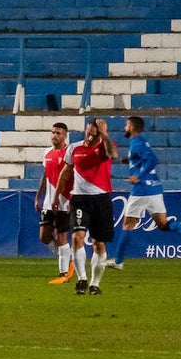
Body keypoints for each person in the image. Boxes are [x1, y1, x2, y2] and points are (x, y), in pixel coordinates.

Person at [105, 115, 181, 269]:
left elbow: (152, 160)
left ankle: (118, 260)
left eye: (126, 125)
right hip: (155, 189)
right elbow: (144, 158)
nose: (124, 128)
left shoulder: (136, 143)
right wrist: (129, 161)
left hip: (142, 190)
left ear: (131, 127)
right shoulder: (141, 141)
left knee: (127, 224)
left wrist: (138, 176)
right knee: (163, 224)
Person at [51, 117, 117, 296]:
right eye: (88, 132)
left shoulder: (106, 146)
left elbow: (113, 155)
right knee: (77, 238)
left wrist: (104, 135)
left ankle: (95, 284)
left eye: (94, 134)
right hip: (79, 198)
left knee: (99, 244)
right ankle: (82, 279)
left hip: (101, 199)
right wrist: (57, 196)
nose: (89, 137)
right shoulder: (74, 148)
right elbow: (65, 172)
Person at [35, 122, 75, 284]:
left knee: (61, 236)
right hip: (48, 202)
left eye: (58, 133)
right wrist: (39, 196)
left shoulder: (70, 153)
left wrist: (73, 198)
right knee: (44, 236)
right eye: (53, 133)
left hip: (64, 201)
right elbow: (45, 176)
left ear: (65, 135)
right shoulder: (47, 153)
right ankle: (69, 259)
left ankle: (63, 273)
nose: (54, 136)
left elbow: (74, 177)